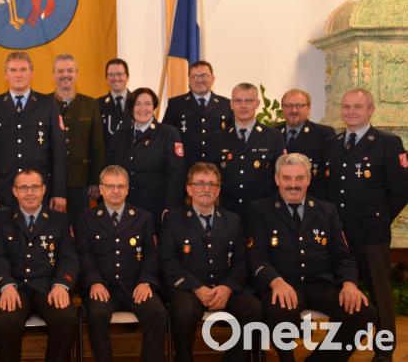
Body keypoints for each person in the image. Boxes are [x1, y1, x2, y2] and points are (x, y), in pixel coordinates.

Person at [247, 153, 377, 362]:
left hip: (320, 284)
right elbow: (256, 257)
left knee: (364, 313)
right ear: (277, 180)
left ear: (308, 179)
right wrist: (276, 282)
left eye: (299, 178)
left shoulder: (327, 210)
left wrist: (350, 285)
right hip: (282, 283)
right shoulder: (260, 210)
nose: (293, 185)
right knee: (280, 308)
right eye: (287, 178)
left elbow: (343, 256)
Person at [323, 88, 408, 362]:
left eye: (358, 107)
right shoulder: (334, 144)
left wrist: (380, 218)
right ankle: (340, 348)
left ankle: (384, 352)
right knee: (342, 293)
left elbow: (401, 190)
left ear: (371, 110)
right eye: (346, 106)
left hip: (372, 235)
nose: (351, 112)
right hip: (340, 236)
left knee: (379, 294)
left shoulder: (388, 142)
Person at [159, 163, 262, 362]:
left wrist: (228, 287)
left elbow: (241, 261)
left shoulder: (233, 220)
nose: (206, 189)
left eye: (212, 184)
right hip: (189, 290)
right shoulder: (173, 219)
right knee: (183, 311)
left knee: (254, 309)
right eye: (199, 183)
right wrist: (196, 287)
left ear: (218, 190)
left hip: (225, 288)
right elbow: (167, 261)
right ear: (189, 189)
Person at [75, 165, 167, 362]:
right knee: (97, 315)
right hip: (103, 288)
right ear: (101, 189)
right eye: (110, 186)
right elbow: (83, 254)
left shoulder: (144, 217)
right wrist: (94, 281)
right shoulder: (86, 218)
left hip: (135, 287)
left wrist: (146, 281)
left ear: (127, 189)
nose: (115, 191)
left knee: (157, 313)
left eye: (120, 186)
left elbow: (151, 254)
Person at [0, 170, 78, 362]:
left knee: (66, 318)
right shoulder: (1, 220)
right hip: (15, 287)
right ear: (15, 191)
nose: (30, 193)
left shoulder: (60, 220)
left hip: (48, 287)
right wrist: (5, 284)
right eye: (23, 187)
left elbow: (68, 258)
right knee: (5, 321)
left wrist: (61, 284)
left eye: (35, 187)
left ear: (44, 190)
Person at [0, 51, 67, 213]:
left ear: (31, 73)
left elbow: (58, 152)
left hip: (39, 193)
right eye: (13, 70)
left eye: (23, 70)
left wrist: (59, 192)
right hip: (3, 193)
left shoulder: (47, 104)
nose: (18, 75)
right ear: (6, 74)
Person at [206, 83, 285, 222]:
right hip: (225, 214)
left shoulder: (274, 136)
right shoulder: (217, 139)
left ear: (257, 104)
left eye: (249, 101)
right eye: (238, 101)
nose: (243, 106)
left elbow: (281, 176)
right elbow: (210, 176)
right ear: (231, 104)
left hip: (263, 214)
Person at [107, 87, 186, 223]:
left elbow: (176, 173)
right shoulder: (120, 135)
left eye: (148, 104)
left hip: (155, 208)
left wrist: (170, 206)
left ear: (154, 107)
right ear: (131, 108)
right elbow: (110, 169)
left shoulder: (168, 133)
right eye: (137, 104)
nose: (142, 108)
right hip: (123, 207)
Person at [52, 54, 105, 221]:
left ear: (77, 73)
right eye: (60, 71)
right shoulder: (43, 103)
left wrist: (96, 180)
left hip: (81, 182)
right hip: (50, 181)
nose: (65, 74)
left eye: (70, 70)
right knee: (52, 227)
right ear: (53, 75)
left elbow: (97, 145)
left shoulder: (90, 104)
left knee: (81, 227)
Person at [162, 60, 233, 167]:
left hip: (218, 168)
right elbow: (166, 137)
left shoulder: (226, 104)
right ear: (189, 80)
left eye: (204, 76)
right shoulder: (176, 104)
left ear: (213, 79)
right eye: (194, 77)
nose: (199, 80)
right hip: (186, 169)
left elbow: (233, 137)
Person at [277, 89, 335, 198]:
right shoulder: (273, 133)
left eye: (299, 105)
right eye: (288, 105)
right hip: (279, 203)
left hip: (313, 203)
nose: (293, 110)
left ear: (308, 108)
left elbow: (331, 175)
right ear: (282, 108)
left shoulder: (324, 134)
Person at [97, 58, 132, 153]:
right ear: (106, 79)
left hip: (134, 164)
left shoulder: (139, 103)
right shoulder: (96, 105)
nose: (115, 78)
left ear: (127, 77)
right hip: (108, 163)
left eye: (119, 74)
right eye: (111, 75)